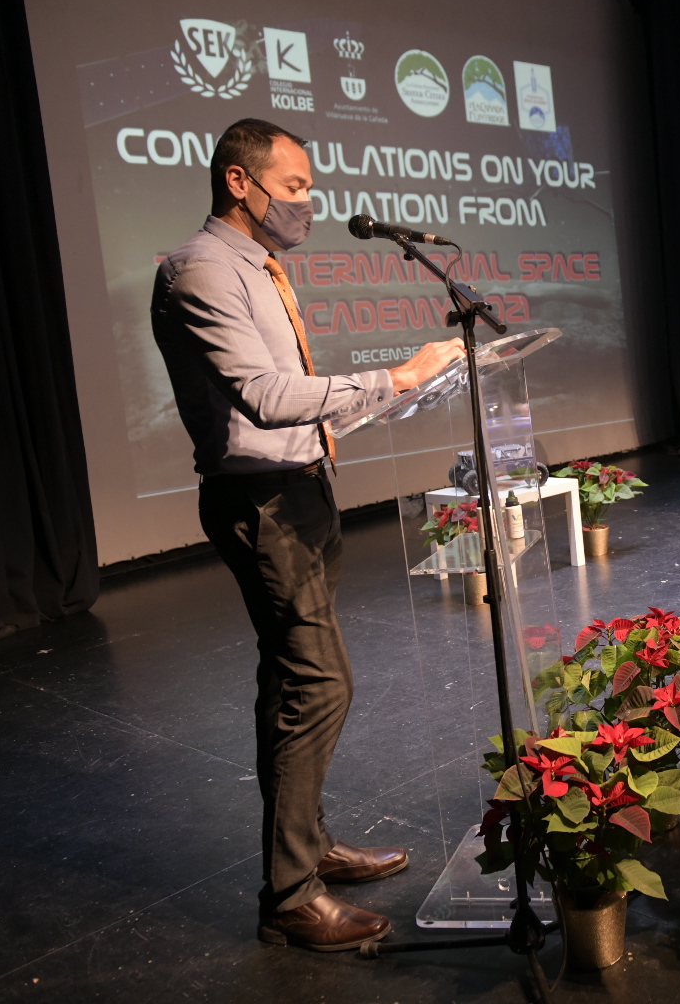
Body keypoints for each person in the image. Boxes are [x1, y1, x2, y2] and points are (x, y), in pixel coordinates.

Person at [151, 118, 467, 952]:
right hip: (261, 507)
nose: (308, 204)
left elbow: (294, 401)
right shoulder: (200, 271)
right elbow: (264, 395)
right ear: (239, 184)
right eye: (293, 188)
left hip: (303, 491)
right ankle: (290, 894)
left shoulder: (258, 268)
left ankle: (310, 847)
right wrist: (397, 375)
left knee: (291, 686)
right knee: (319, 686)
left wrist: (383, 402)